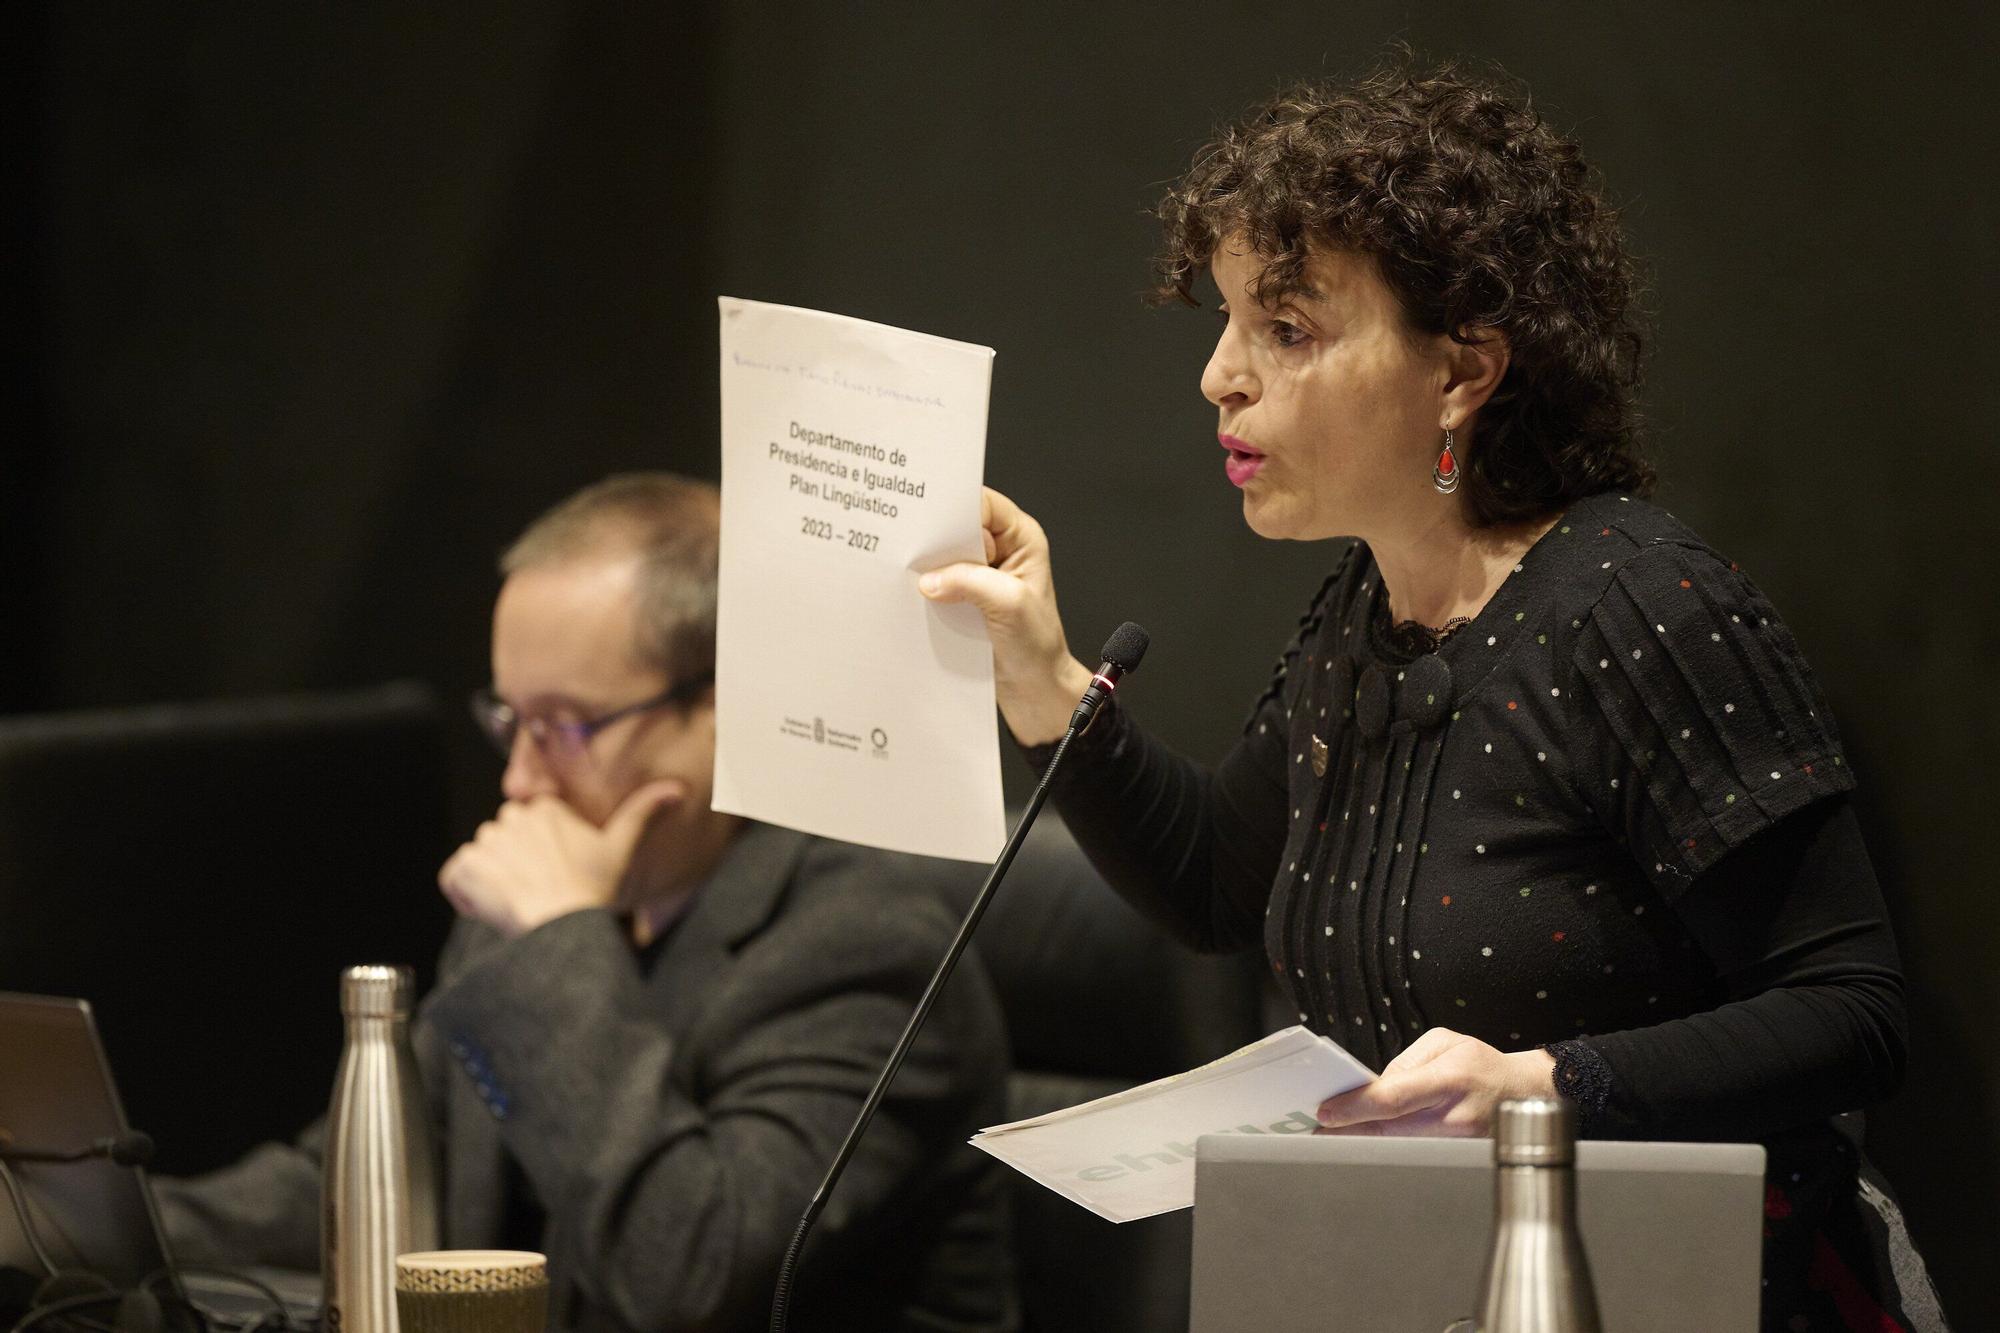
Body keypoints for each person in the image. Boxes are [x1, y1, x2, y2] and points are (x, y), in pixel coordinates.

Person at [920, 60, 1946, 1332]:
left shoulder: (1643, 608)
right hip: (1430, 1283)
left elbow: (1850, 1018)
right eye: (1227, 322)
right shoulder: (1362, 616)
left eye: (1284, 331)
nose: (1218, 377)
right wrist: (1045, 681)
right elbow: (1211, 885)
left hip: (1691, 1290)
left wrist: (1540, 1085)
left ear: (1462, 371)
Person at [159, 474, 1019, 1333]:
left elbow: (690, 1271)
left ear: (728, 708)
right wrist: (73, 1218)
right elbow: (375, 1184)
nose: (519, 779)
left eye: (564, 727)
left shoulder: (867, 951)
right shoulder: (539, 916)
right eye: (510, 721)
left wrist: (553, 943)